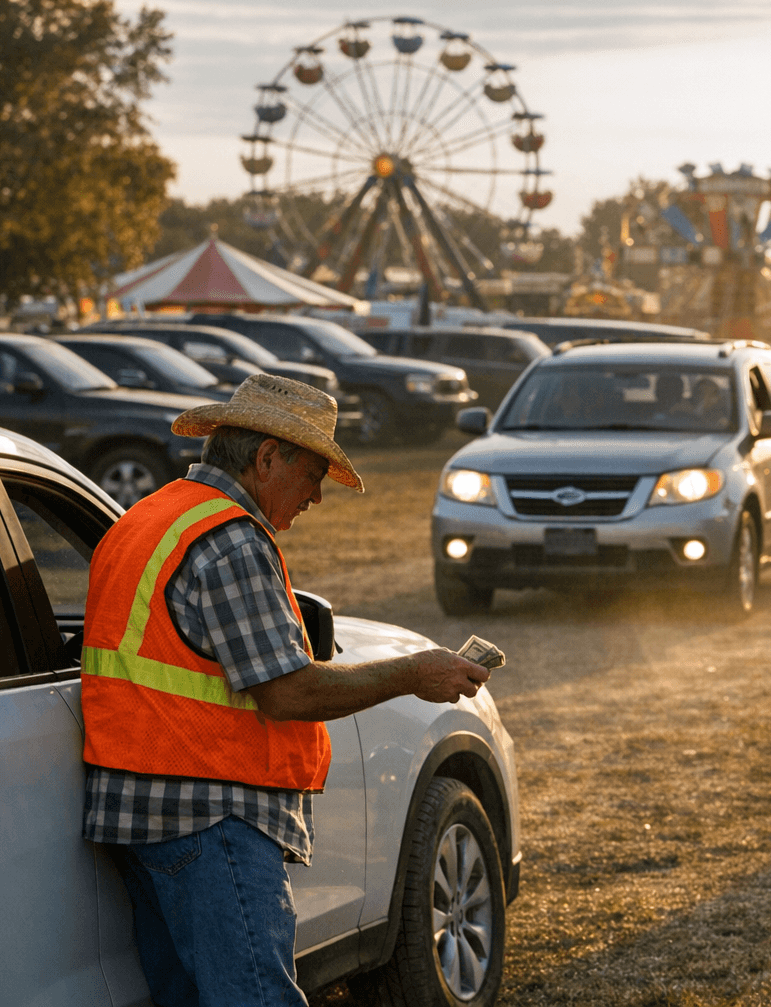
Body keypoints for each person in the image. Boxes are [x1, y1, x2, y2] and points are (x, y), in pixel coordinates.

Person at [80, 374, 491, 1007]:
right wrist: (414, 673)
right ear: (268, 457)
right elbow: (290, 693)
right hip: (212, 813)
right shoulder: (229, 539)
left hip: (142, 811)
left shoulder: (146, 519)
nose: (317, 496)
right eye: (313, 474)